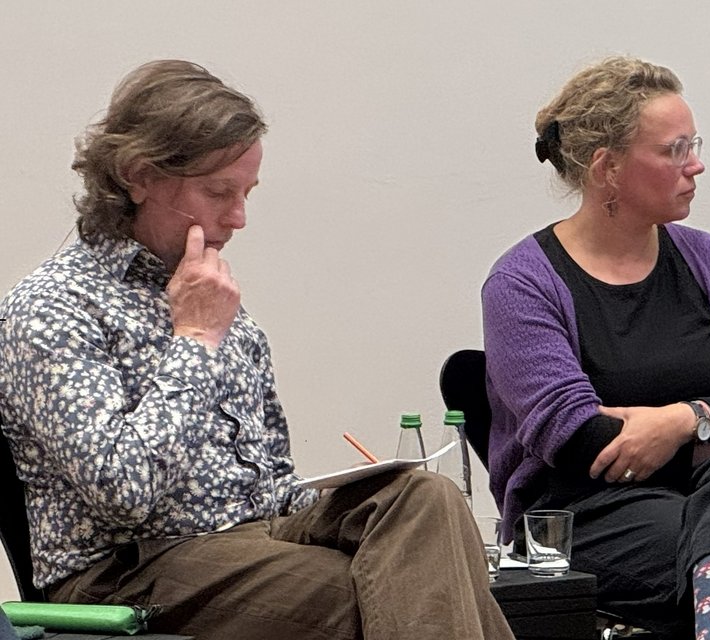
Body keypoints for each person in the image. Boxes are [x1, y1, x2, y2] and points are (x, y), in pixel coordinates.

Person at [0, 60, 512, 639]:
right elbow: (125, 495)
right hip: (131, 567)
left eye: (246, 193)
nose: (238, 218)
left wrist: (347, 490)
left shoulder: (218, 303)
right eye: (219, 192)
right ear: (136, 175)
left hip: (255, 538)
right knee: (398, 592)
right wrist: (194, 340)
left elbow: (270, 482)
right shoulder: (52, 307)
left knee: (425, 499)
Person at [482, 56, 710, 640]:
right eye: (674, 150)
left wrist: (679, 422)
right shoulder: (522, 283)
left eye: (696, 145)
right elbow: (577, 437)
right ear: (607, 168)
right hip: (581, 517)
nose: (697, 165)